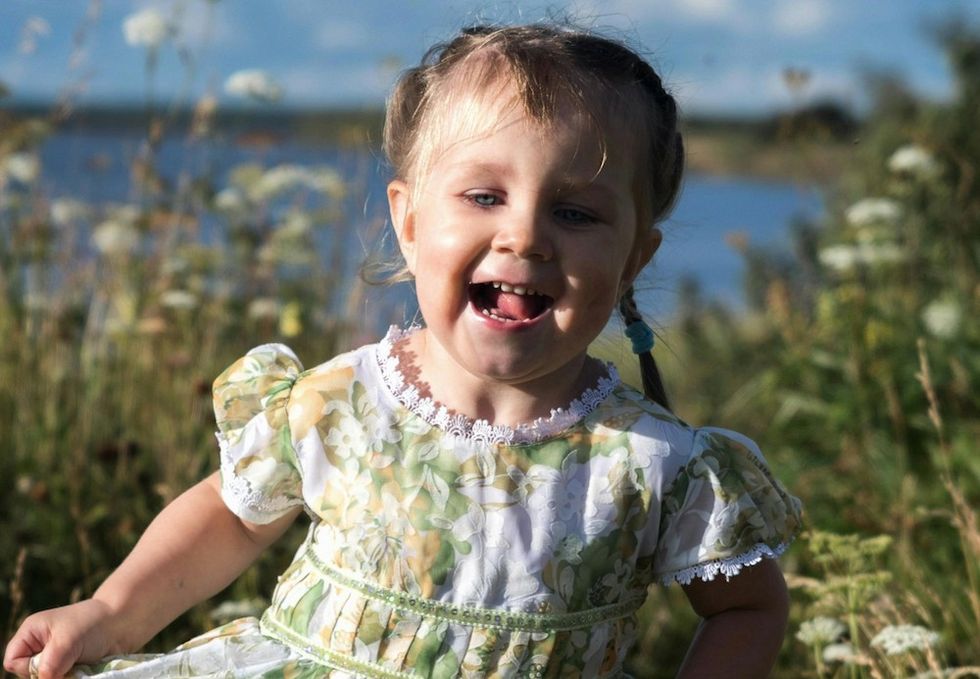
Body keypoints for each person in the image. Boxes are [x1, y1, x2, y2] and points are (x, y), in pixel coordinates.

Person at [4, 24, 802, 679]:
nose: (524, 233)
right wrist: (106, 614)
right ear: (411, 222)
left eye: (576, 212)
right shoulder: (342, 399)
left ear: (634, 258)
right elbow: (229, 519)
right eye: (484, 196)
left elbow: (748, 605)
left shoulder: (655, 460)